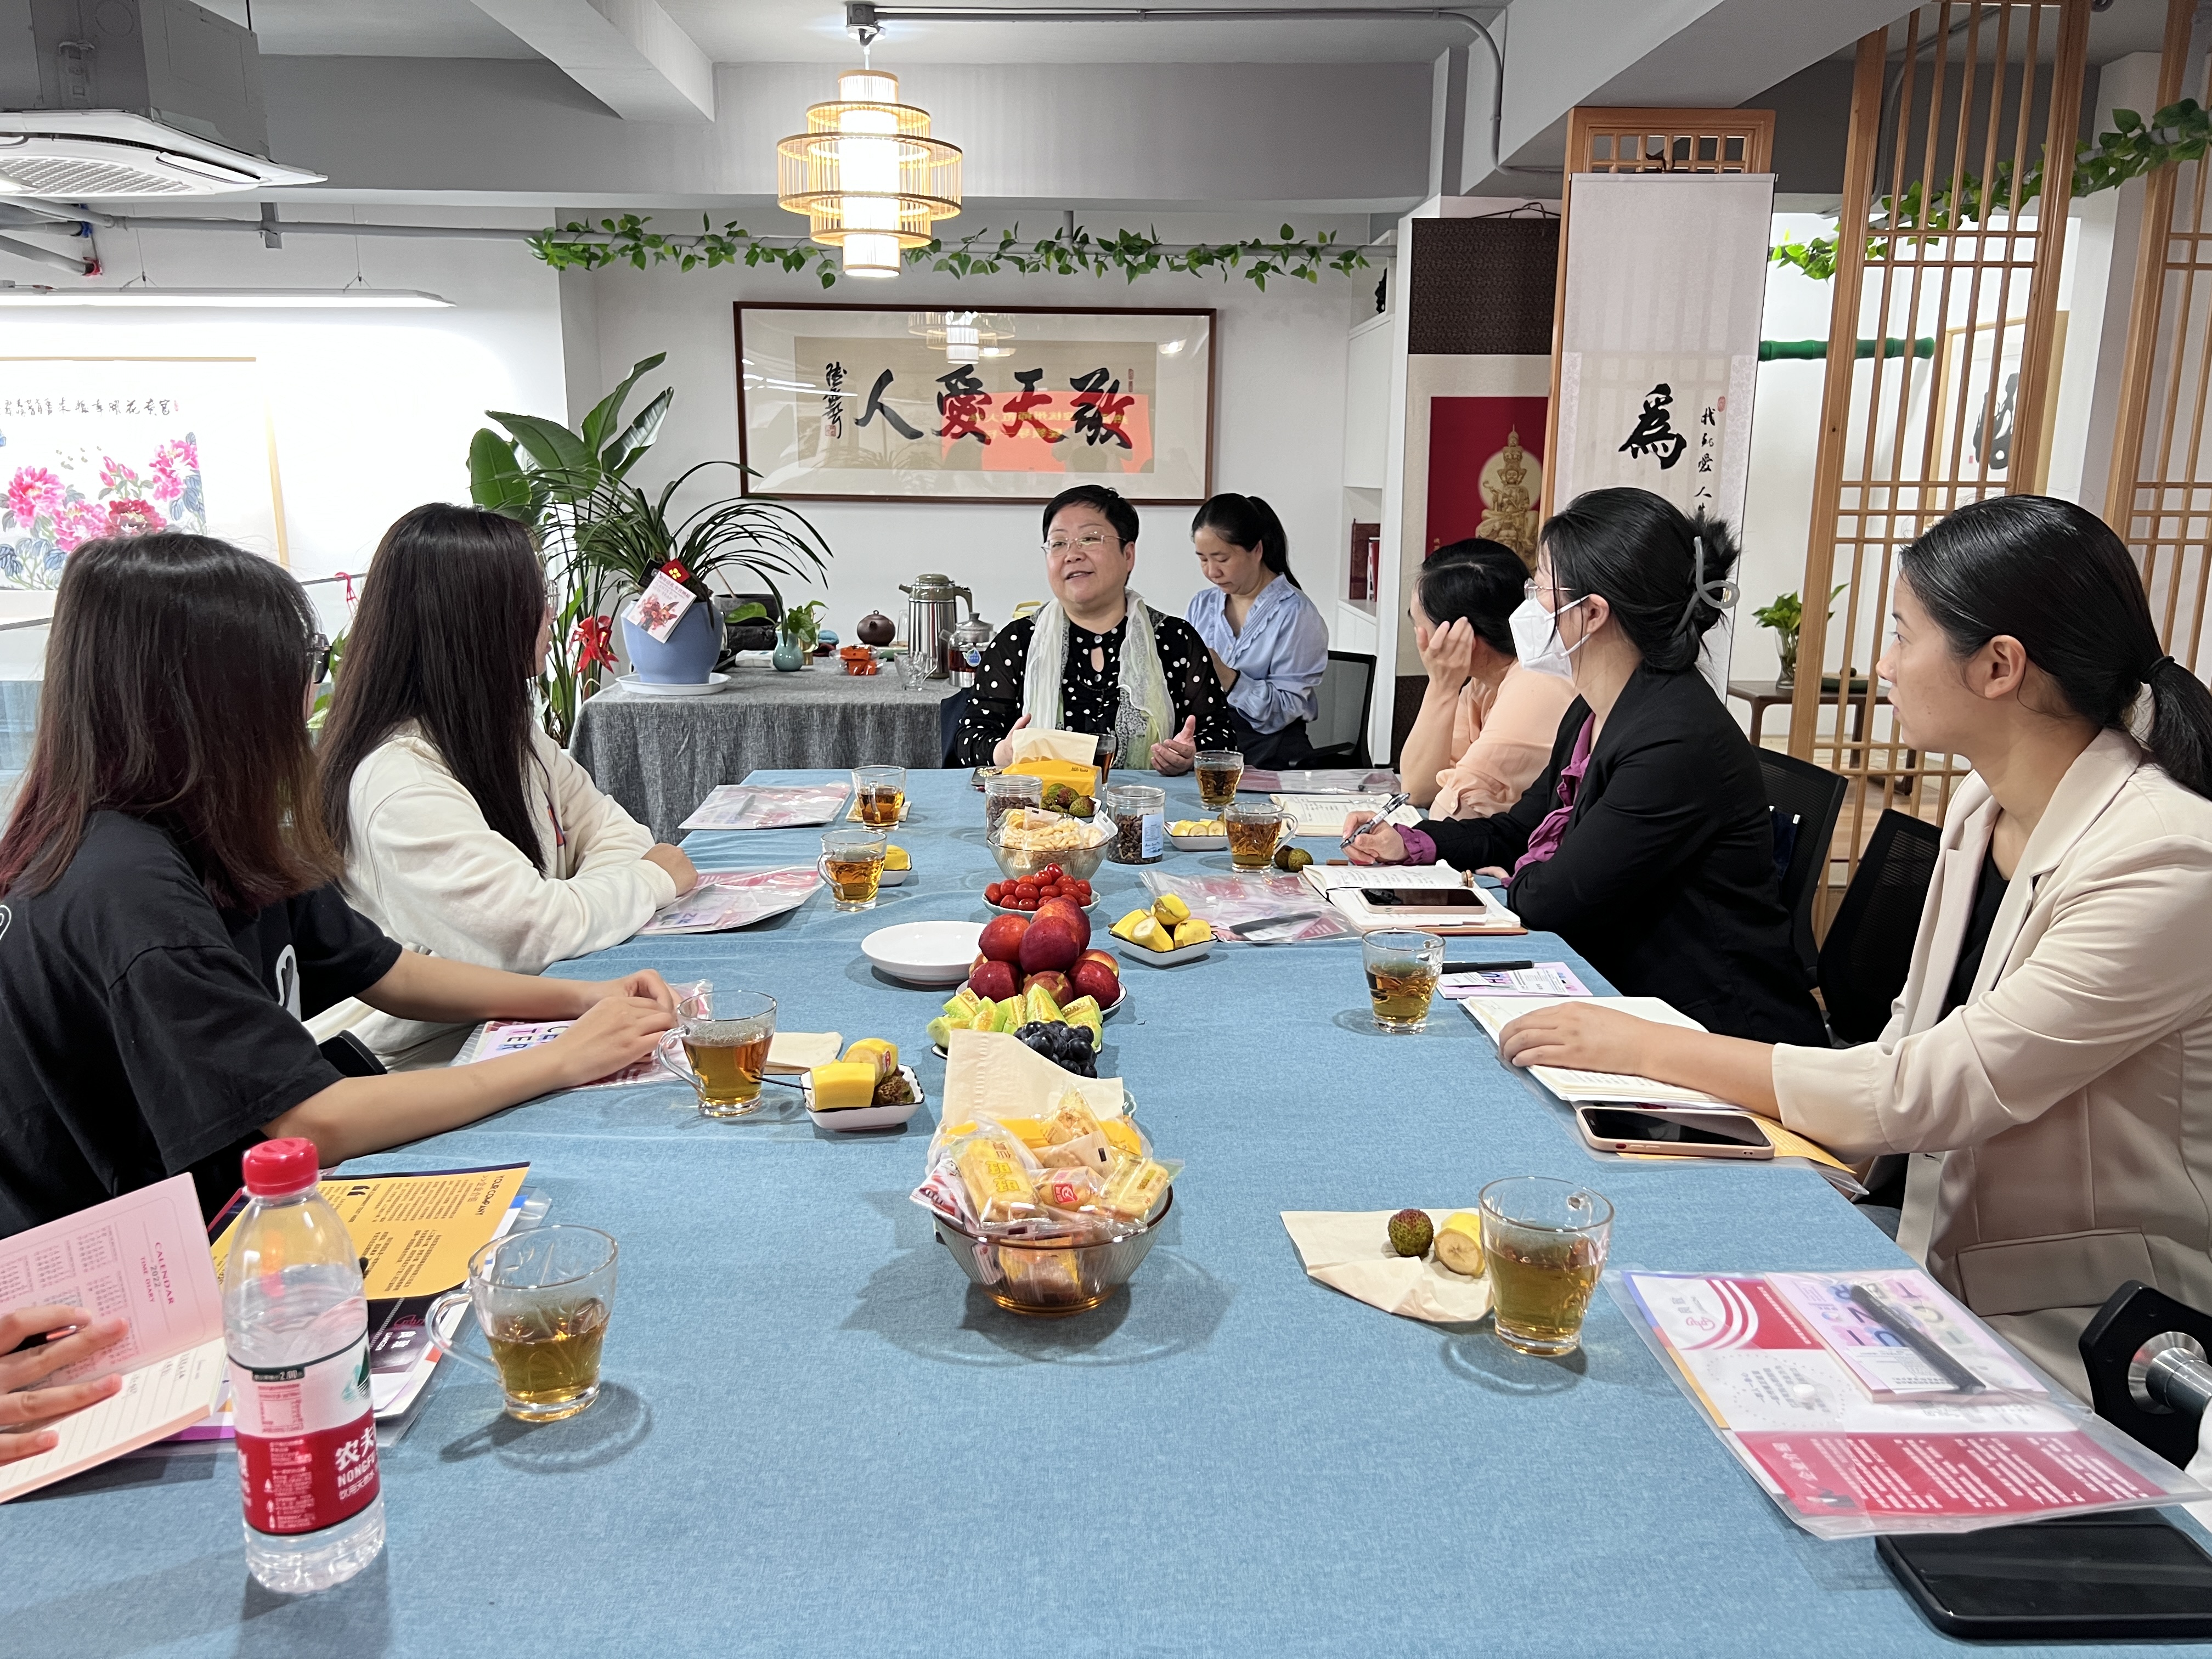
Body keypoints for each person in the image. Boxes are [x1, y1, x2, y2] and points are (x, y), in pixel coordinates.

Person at [1494, 495, 2212, 1393]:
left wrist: (1643, 1047)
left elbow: (1929, 1087)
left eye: (1903, 635)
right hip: (1932, 1259)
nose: (1882, 664)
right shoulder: (1981, 806)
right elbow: (1908, 1038)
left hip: (2100, 1336)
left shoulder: (2165, 857)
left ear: (1998, 666)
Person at [0, 533, 676, 1238]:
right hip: (129, 1257)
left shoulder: (211, 829)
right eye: (302, 665)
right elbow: (311, 1121)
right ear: (218, 693)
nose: (311, 694)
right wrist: (560, 1059)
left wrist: (582, 997)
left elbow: (387, 971)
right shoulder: (129, 892)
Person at [1348, 488, 1825, 1046]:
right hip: (1626, 993)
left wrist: (1520, 875)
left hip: (1715, 1029)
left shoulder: (1676, 739)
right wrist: (1412, 845)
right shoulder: (1594, 709)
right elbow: (1518, 831)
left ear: (1593, 613)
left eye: (1540, 588)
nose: (1528, 607)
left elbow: (1554, 900)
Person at [316, 504, 696, 1066]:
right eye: (535, 598)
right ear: (479, 620)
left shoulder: (503, 732)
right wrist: (650, 879)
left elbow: (616, 833)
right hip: (430, 1061)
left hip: (531, 1021)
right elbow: (529, 939)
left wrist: (577, 902)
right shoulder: (398, 783)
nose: (550, 614)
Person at [952, 484, 1233, 774]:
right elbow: (968, 740)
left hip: (1146, 801)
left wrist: (1191, 756)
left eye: (1089, 539)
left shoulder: (1175, 639)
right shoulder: (1018, 642)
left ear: (1128, 555)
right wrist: (1003, 752)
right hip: (1043, 803)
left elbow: (1222, 738)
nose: (1072, 554)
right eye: (1058, 543)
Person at [1397, 539, 1579, 816]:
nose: (1418, 637)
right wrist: (1442, 687)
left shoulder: (1537, 684)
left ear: (1459, 637)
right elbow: (1419, 790)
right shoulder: (1482, 684)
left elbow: (1453, 812)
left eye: (1419, 626)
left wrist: (1443, 686)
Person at [1183, 493, 1329, 769]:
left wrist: (1228, 677)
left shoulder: (1295, 613)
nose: (1212, 571)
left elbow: (1285, 709)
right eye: (1203, 559)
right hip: (1207, 745)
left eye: (1222, 559)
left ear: (1257, 550)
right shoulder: (1201, 605)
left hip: (1271, 753)